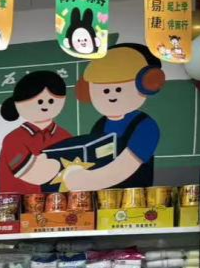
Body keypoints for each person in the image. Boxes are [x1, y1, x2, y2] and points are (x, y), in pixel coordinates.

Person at [63, 43, 165, 191]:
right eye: (105, 90)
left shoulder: (145, 126)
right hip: (102, 198)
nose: (112, 95)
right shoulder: (99, 125)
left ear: (146, 85)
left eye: (119, 89)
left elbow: (124, 168)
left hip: (135, 198)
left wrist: (86, 180)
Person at [0, 71, 73, 194]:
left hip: (62, 202)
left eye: (51, 101)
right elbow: (34, 174)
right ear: (18, 104)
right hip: (18, 203)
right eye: (39, 101)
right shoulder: (13, 139)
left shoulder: (65, 135)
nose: (45, 106)